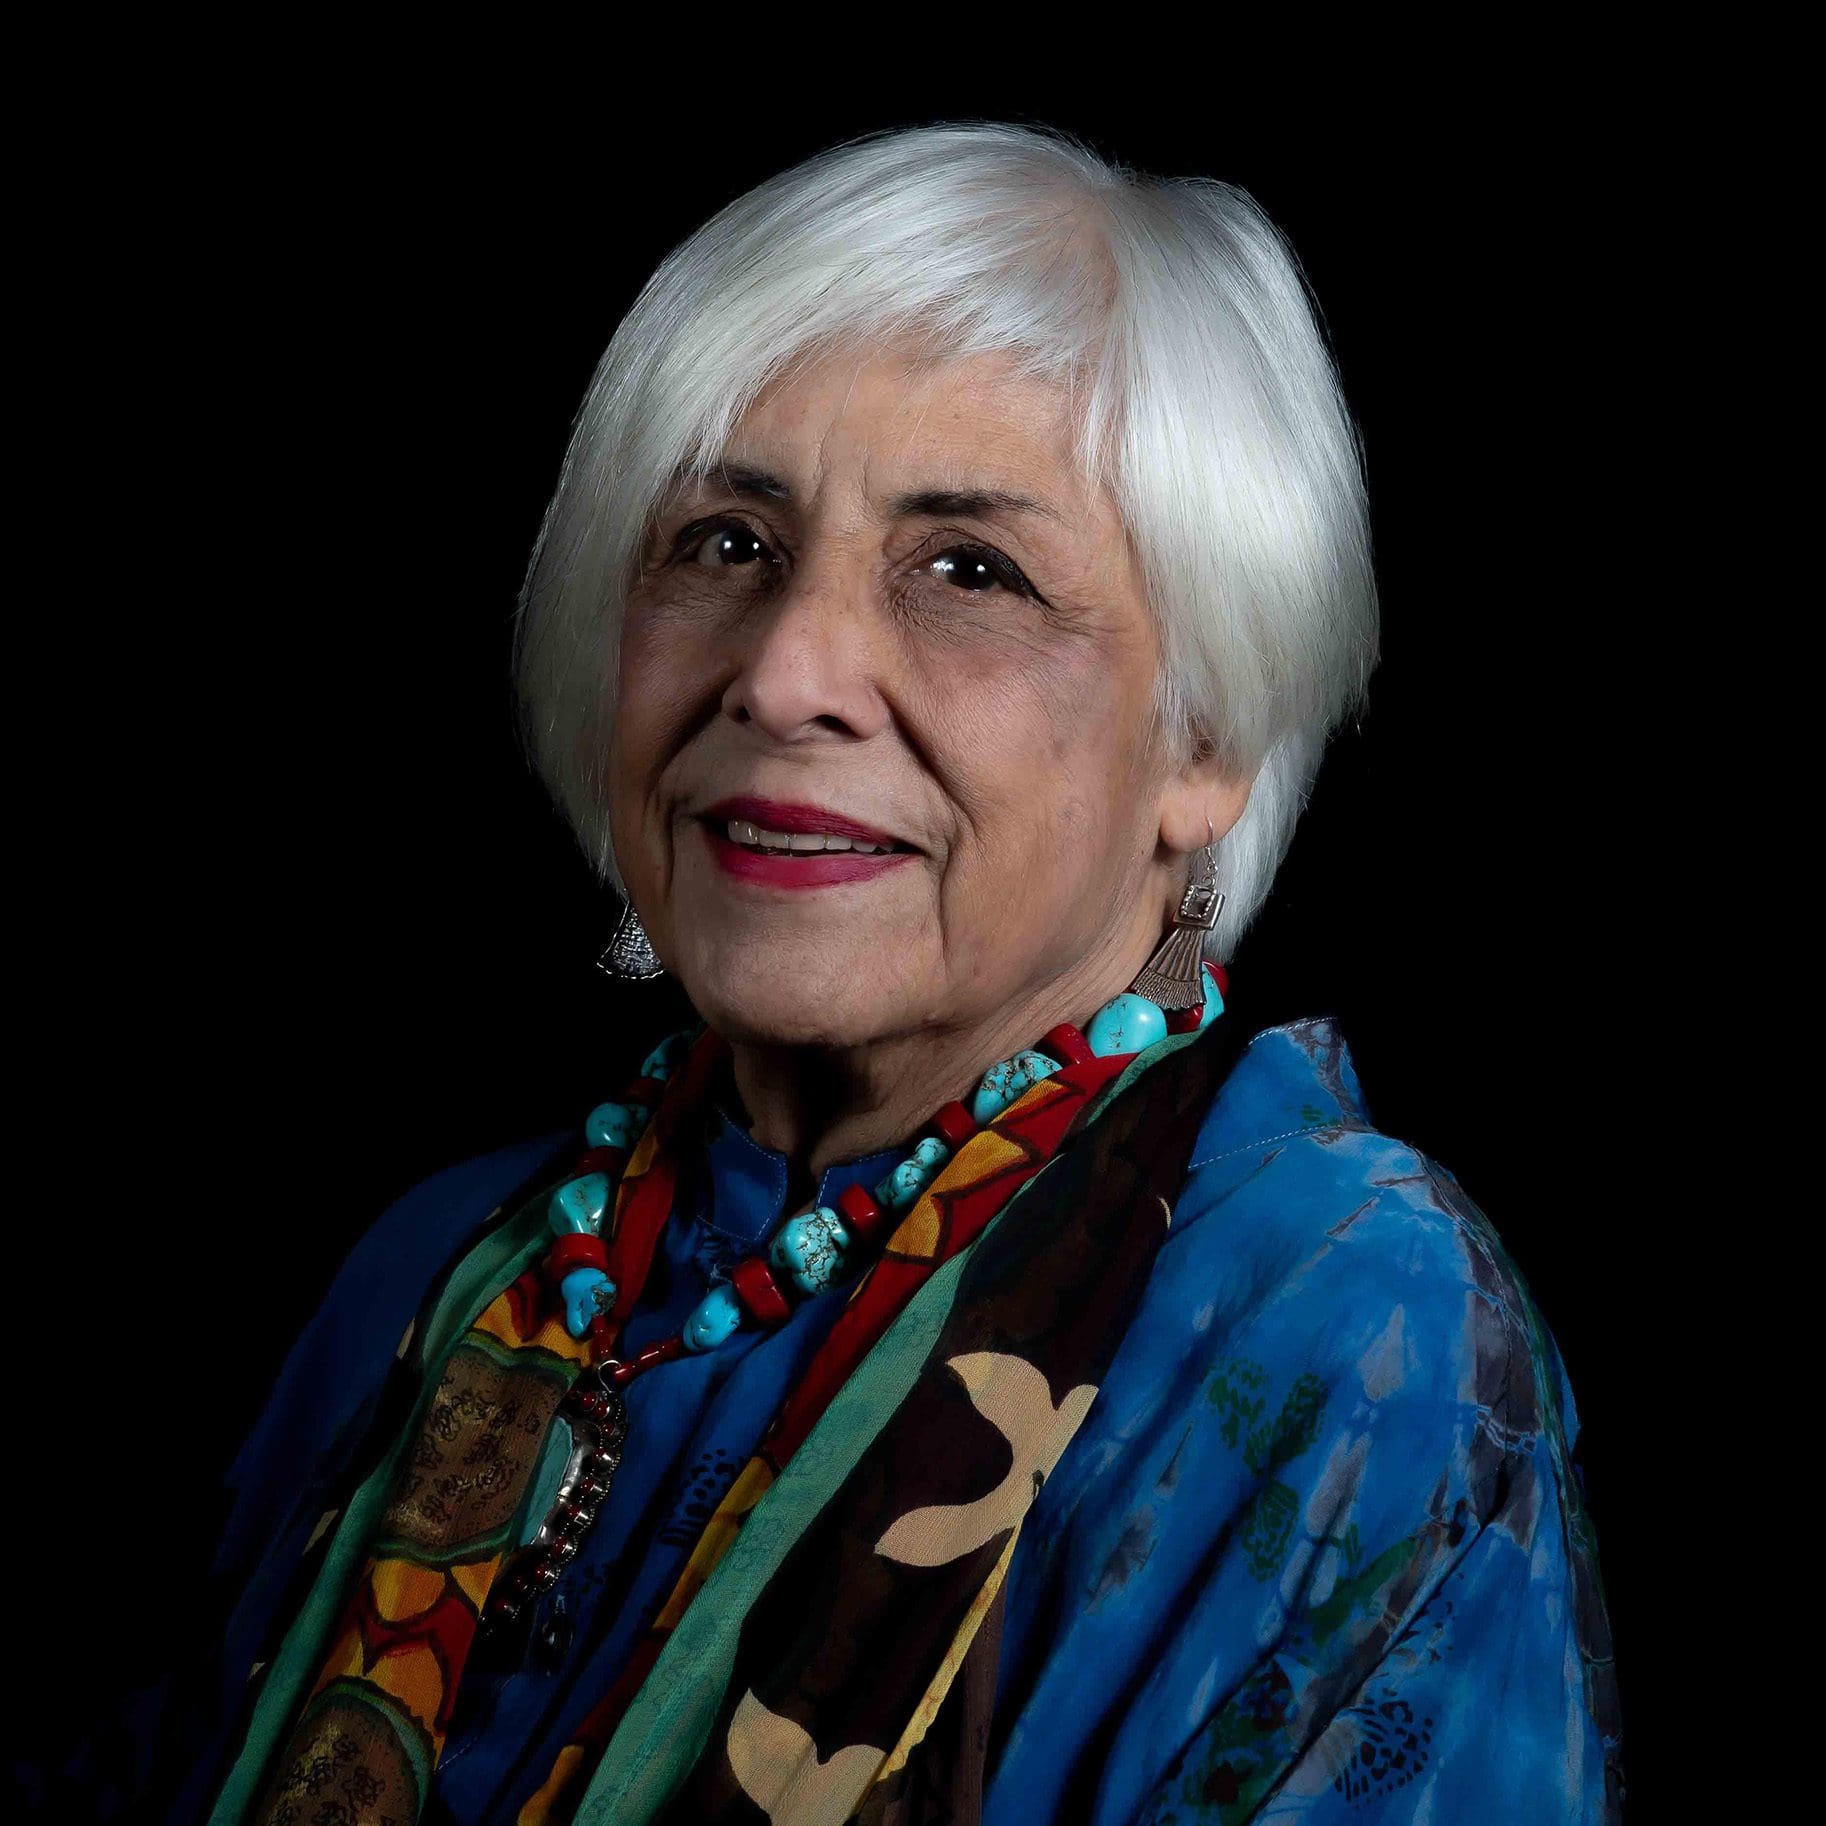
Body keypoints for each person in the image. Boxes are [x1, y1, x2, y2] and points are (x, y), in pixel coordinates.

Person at [136, 121, 1621, 1823]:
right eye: (724, 542)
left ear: (1201, 734)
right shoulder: (442, 1267)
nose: (785, 673)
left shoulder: (1337, 1317)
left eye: (968, 570)